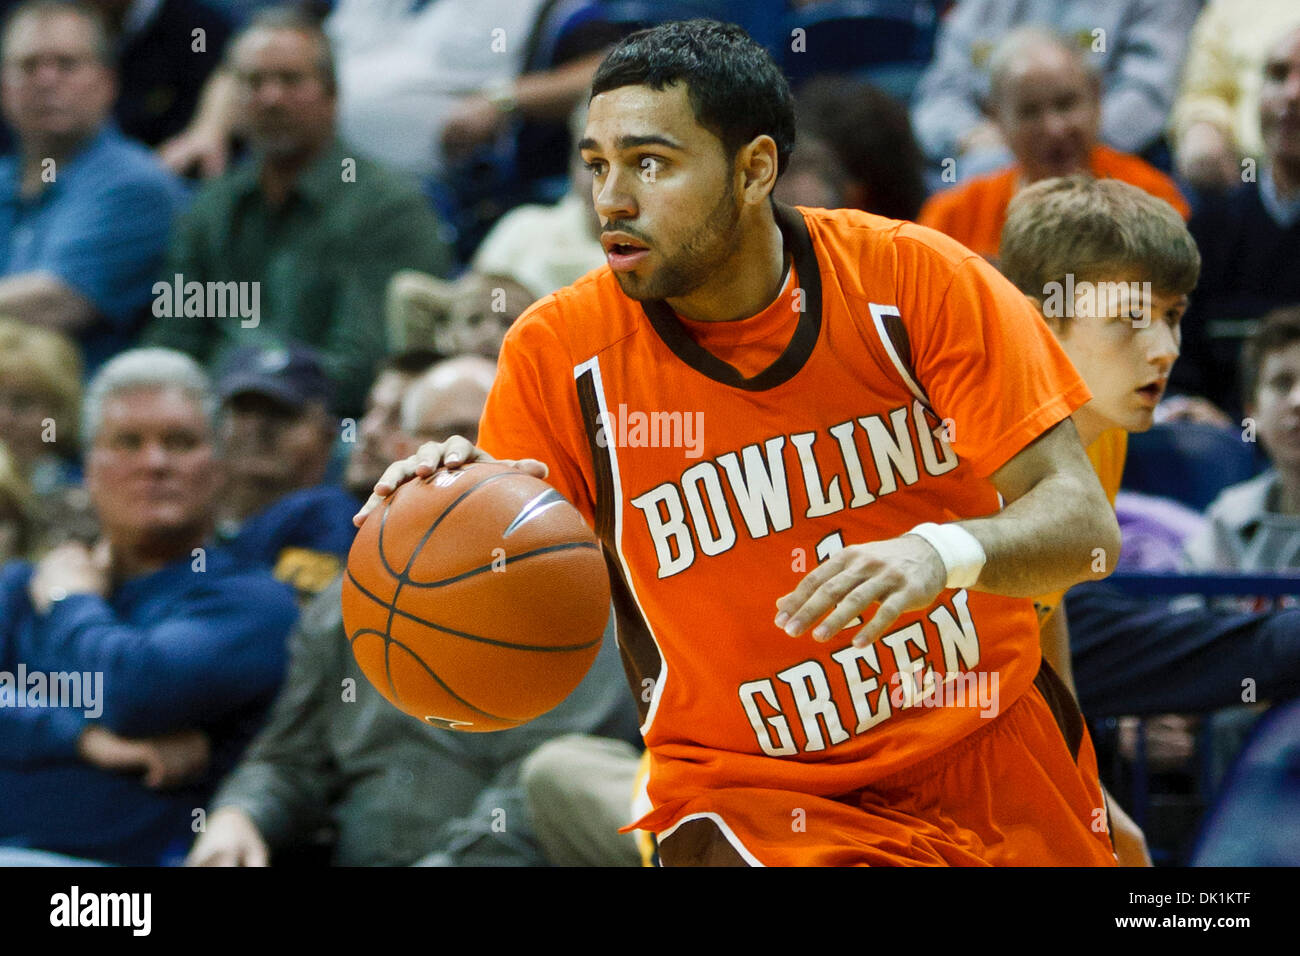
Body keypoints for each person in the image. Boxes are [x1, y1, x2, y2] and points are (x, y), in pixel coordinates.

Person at [357, 20, 1124, 867]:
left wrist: (941, 553)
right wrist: (443, 517)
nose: (611, 198)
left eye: (650, 164)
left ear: (756, 169)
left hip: (992, 753)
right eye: (596, 164)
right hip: (753, 798)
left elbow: (1083, 533)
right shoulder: (558, 356)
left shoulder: (919, 282)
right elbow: (509, 590)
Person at [187, 356, 639, 866]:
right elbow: (289, 760)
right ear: (405, 450)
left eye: (502, 430)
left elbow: (538, 800)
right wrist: (240, 817)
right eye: (457, 432)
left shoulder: (576, 598)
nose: (474, 449)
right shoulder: (351, 592)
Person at [0, 348, 296, 866]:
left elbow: (135, 691)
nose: (154, 463)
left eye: (180, 443)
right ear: (89, 467)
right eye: (128, 442)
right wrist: (85, 738)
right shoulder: (23, 585)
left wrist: (72, 602)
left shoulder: (253, 601)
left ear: (219, 466)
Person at [143, 8, 453, 416]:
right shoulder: (211, 205)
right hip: (211, 419)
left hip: (324, 424)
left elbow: (363, 368)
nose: (271, 98)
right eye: (254, 82)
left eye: (290, 80)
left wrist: (244, 402)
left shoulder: (389, 208)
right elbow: (175, 337)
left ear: (331, 95)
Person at [0, 0, 188, 371]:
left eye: (66, 65)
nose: (46, 79)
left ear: (107, 82)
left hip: (81, 417)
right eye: (28, 65)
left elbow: (55, 302)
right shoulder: (5, 177)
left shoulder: (137, 184)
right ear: (5, 87)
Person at [917, 26, 1188, 264]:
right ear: (996, 118)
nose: (1054, 129)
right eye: (1029, 112)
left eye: (1066, 104)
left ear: (1096, 96)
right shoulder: (952, 218)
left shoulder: (1152, 200)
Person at [910, 0, 1198, 181]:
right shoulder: (981, 7)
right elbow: (938, 95)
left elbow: (1147, 93)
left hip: (1101, 157)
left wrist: (1063, 138)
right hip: (987, 159)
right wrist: (969, 135)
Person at [1173, 27, 1300, 417]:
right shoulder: (1209, 229)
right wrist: (1194, 410)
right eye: (1277, 75)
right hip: (1226, 451)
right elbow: (1179, 365)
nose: (1292, 95)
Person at [213, 343, 356, 600]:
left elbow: (287, 620)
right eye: (243, 411)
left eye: (282, 414)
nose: (258, 427)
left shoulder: (329, 519)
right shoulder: (187, 510)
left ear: (327, 434)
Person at [1184, 307, 1300, 572]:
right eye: (1282, 383)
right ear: (1252, 412)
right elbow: (1187, 610)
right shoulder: (1227, 518)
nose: (1298, 401)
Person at [1169, 0, 1300, 191]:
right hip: (1245, 170)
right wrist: (1203, 126)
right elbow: (1203, 90)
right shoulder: (1232, 5)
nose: (1292, 94)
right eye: (1278, 74)